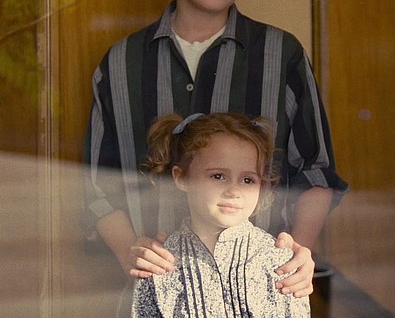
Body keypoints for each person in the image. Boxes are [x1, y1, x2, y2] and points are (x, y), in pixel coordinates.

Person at [82, 0, 348, 310]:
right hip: (159, 294)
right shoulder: (121, 63)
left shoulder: (282, 55)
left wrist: (298, 250)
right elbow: (97, 186)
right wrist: (130, 251)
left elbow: (314, 172)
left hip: (262, 292)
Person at [131, 112, 310, 317]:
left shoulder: (279, 261)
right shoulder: (158, 263)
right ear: (181, 178)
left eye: (247, 180)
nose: (234, 191)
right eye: (218, 176)